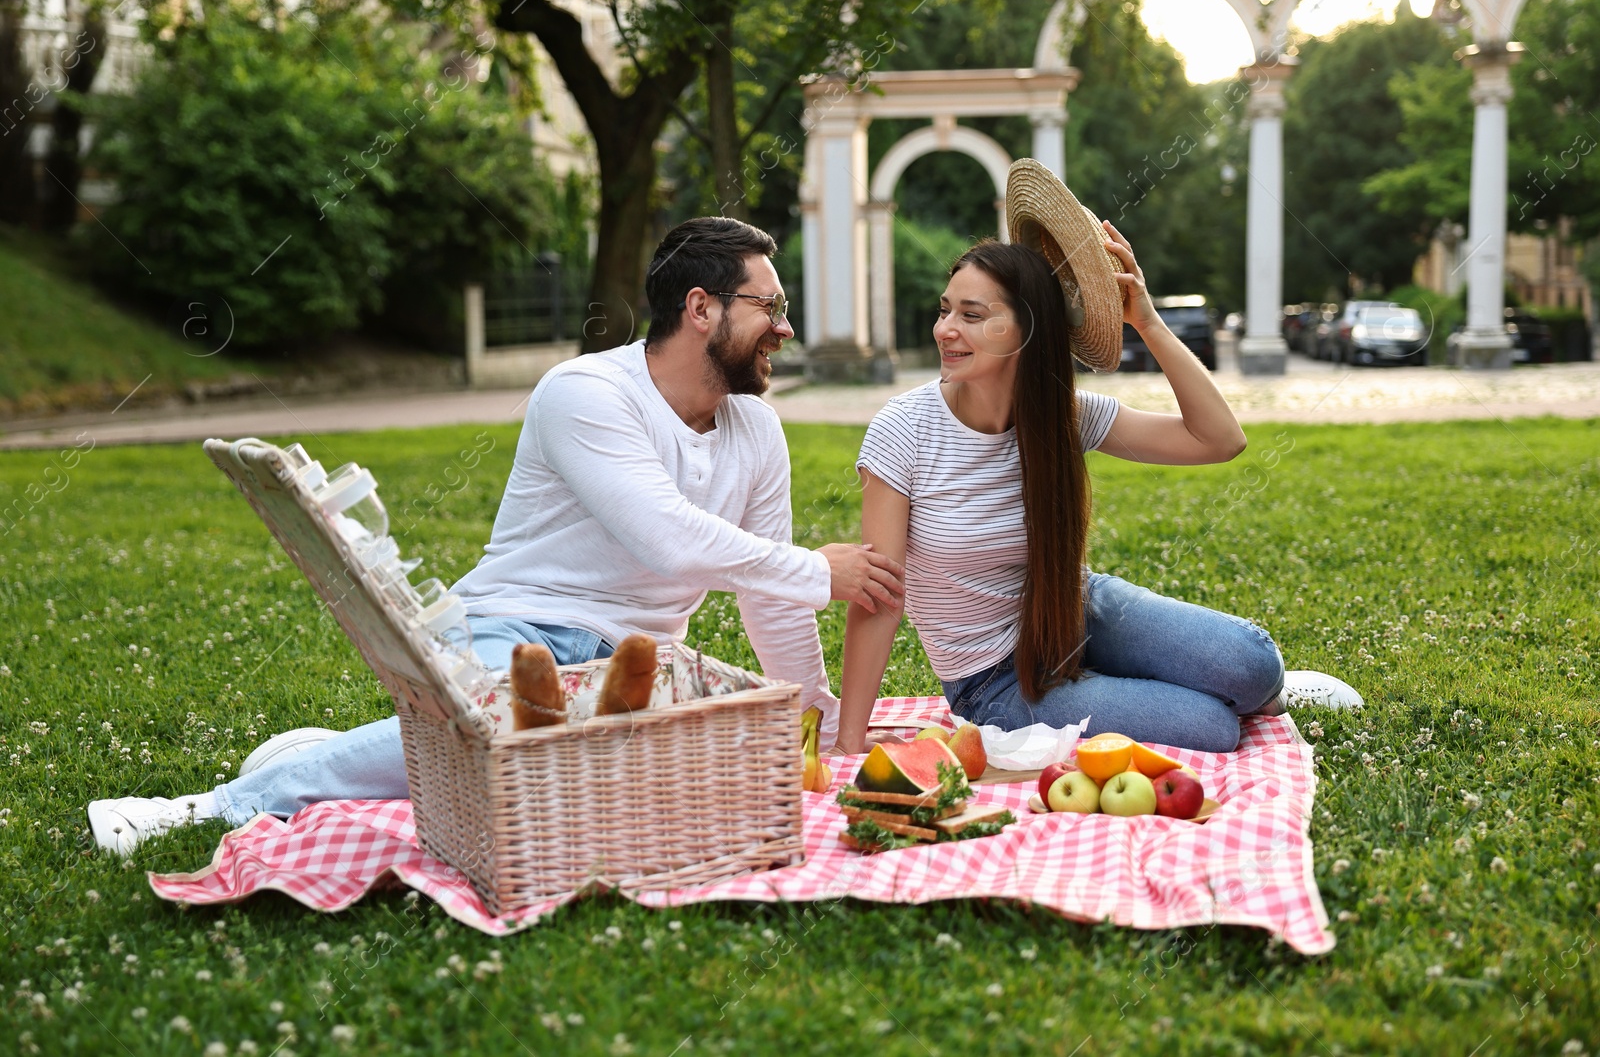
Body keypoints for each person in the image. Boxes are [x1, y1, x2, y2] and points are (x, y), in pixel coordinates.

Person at [89, 217, 904, 854]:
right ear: (701, 309)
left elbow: (770, 603)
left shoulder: (756, 430)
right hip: (513, 631)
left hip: (628, 673)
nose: (786, 330)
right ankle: (208, 807)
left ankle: (334, 756)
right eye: (771, 308)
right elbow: (667, 537)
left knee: (611, 791)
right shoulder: (585, 393)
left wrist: (818, 719)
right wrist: (813, 567)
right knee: (506, 722)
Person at [834, 227, 1359, 757]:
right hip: (993, 682)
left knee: (1255, 665)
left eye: (971, 316)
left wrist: (1148, 323)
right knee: (1211, 728)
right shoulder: (903, 429)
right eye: (945, 310)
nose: (944, 329)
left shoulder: (1065, 415)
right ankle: (1206, 697)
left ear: (1027, 330)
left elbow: (1220, 440)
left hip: (1073, 610)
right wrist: (849, 742)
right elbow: (880, 598)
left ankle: (1246, 690)